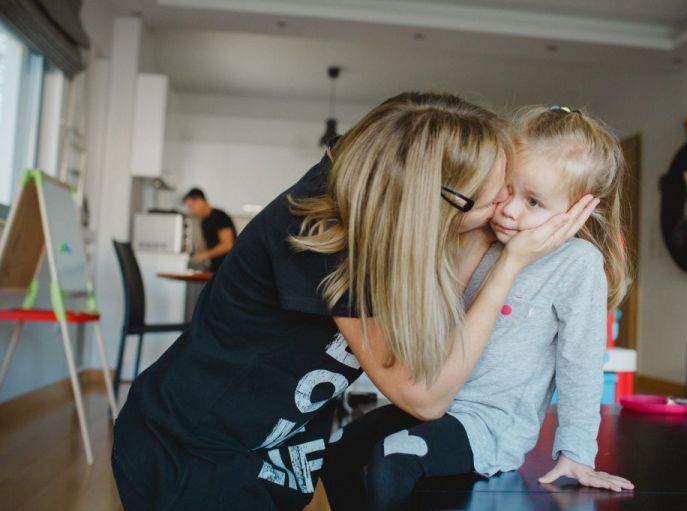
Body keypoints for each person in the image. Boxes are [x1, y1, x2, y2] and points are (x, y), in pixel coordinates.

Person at [111, 93, 598, 510]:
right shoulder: (328, 237)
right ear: (433, 199)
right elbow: (426, 397)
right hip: (194, 450)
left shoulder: (389, 204)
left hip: (272, 443)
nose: (504, 212)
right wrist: (511, 263)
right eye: (495, 200)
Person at [321, 105, 634, 510]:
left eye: (533, 202)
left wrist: (576, 453)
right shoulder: (483, 238)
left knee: (393, 460)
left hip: (490, 424)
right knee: (338, 451)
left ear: (579, 210)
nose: (509, 210)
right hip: (438, 405)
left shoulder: (578, 264)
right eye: (507, 189)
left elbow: (581, 363)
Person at [182, 188, 237, 272]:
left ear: (200, 201)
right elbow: (209, 245)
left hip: (228, 268)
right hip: (216, 268)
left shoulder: (219, 216)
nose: (191, 211)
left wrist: (205, 255)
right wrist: (199, 254)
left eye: (191, 207)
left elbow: (228, 245)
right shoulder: (204, 221)